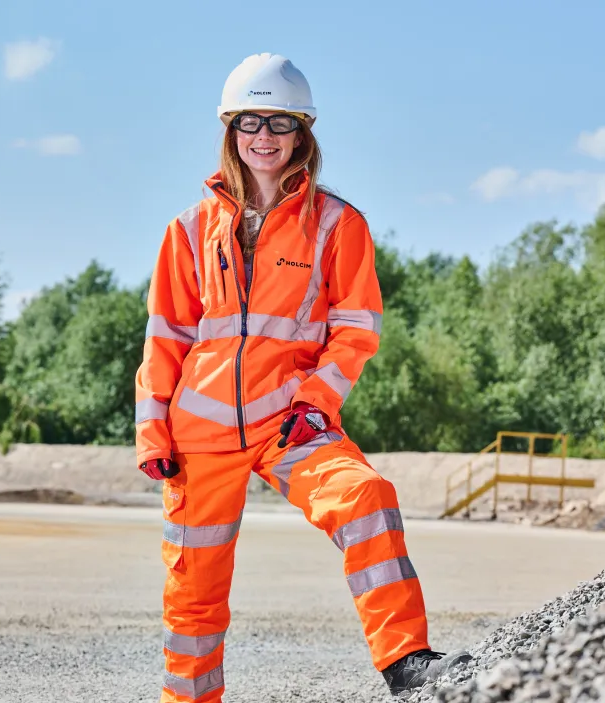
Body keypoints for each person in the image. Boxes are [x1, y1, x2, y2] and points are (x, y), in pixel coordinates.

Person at [133, 52, 471, 701]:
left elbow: (356, 328)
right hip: (198, 433)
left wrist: (317, 400)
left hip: (293, 419)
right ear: (230, 131)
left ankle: (408, 661)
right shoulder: (187, 230)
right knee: (193, 595)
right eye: (249, 122)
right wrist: (152, 431)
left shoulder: (339, 224)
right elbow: (165, 336)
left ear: (302, 133)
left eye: (279, 123)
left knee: (367, 497)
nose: (264, 137)